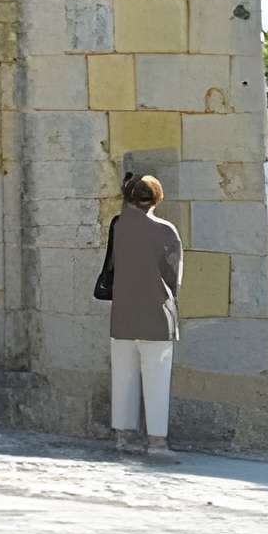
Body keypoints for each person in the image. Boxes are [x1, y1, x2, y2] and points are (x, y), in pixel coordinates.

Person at [104, 171, 184, 462]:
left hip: (123, 313)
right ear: (156, 199)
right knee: (157, 379)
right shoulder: (166, 231)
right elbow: (174, 279)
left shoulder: (119, 227)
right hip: (156, 314)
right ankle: (156, 441)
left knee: (123, 377)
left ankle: (123, 438)